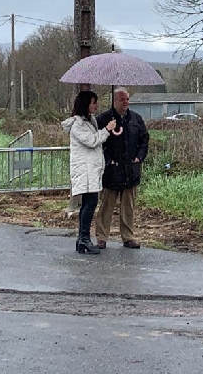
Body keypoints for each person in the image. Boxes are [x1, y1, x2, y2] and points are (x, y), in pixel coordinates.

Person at [61, 91, 116, 254]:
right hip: (84, 169)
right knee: (90, 203)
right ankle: (83, 238)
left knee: (89, 203)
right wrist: (107, 129)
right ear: (86, 104)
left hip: (91, 168)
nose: (96, 105)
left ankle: (82, 239)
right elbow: (92, 141)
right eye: (93, 102)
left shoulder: (89, 121)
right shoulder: (78, 124)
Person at [95, 87, 150, 249]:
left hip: (130, 171)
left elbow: (144, 139)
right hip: (111, 172)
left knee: (128, 207)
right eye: (122, 99)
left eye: (127, 99)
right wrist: (108, 160)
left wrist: (139, 157)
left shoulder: (136, 119)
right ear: (115, 101)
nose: (126, 102)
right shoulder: (103, 119)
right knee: (106, 206)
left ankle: (128, 237)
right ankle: (101, 237)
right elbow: (97, 143)